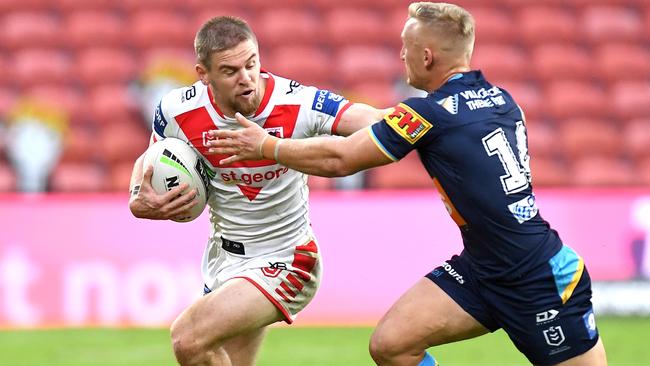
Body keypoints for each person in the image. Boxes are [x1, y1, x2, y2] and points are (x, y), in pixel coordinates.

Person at [206, 3, 608, 366]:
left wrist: (268, 145)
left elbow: (340, 158)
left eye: (406, 46)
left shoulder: (428, 113)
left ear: (427, 55)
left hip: (537, 277)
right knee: (392, 344)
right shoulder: (502, 98)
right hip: (483, 268)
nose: (401, 55)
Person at [127, 16, 388, 366]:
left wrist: (427, 119)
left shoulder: (297, 103)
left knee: (188, 339)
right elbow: (152, 160)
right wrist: (139, 200)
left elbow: (371, 120)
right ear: (204, 74)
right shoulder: (176, 110)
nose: (247, 78)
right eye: (230, 70)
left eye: (251, 64)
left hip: (287, 259)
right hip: (224, 261)